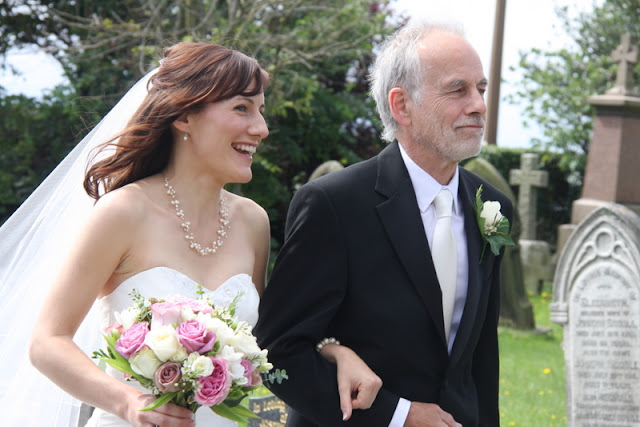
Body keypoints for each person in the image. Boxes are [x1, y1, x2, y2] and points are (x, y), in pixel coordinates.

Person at [0, 42, 379, 427]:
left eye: (260, 111)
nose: (261, 128)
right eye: (241, 108)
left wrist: (334, 351)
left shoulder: (253, 221)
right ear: (184, 116)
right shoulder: (123, 213)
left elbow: (268, 339)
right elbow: (47, 342)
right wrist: (131, 403)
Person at [254, 20, 513, 427]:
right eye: (457, 89)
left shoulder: (493, 207)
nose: (479, 104)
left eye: (480, 88)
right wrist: (398, 415)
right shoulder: (334, 204)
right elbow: (276, 352)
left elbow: (481, 354)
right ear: (401, 106)